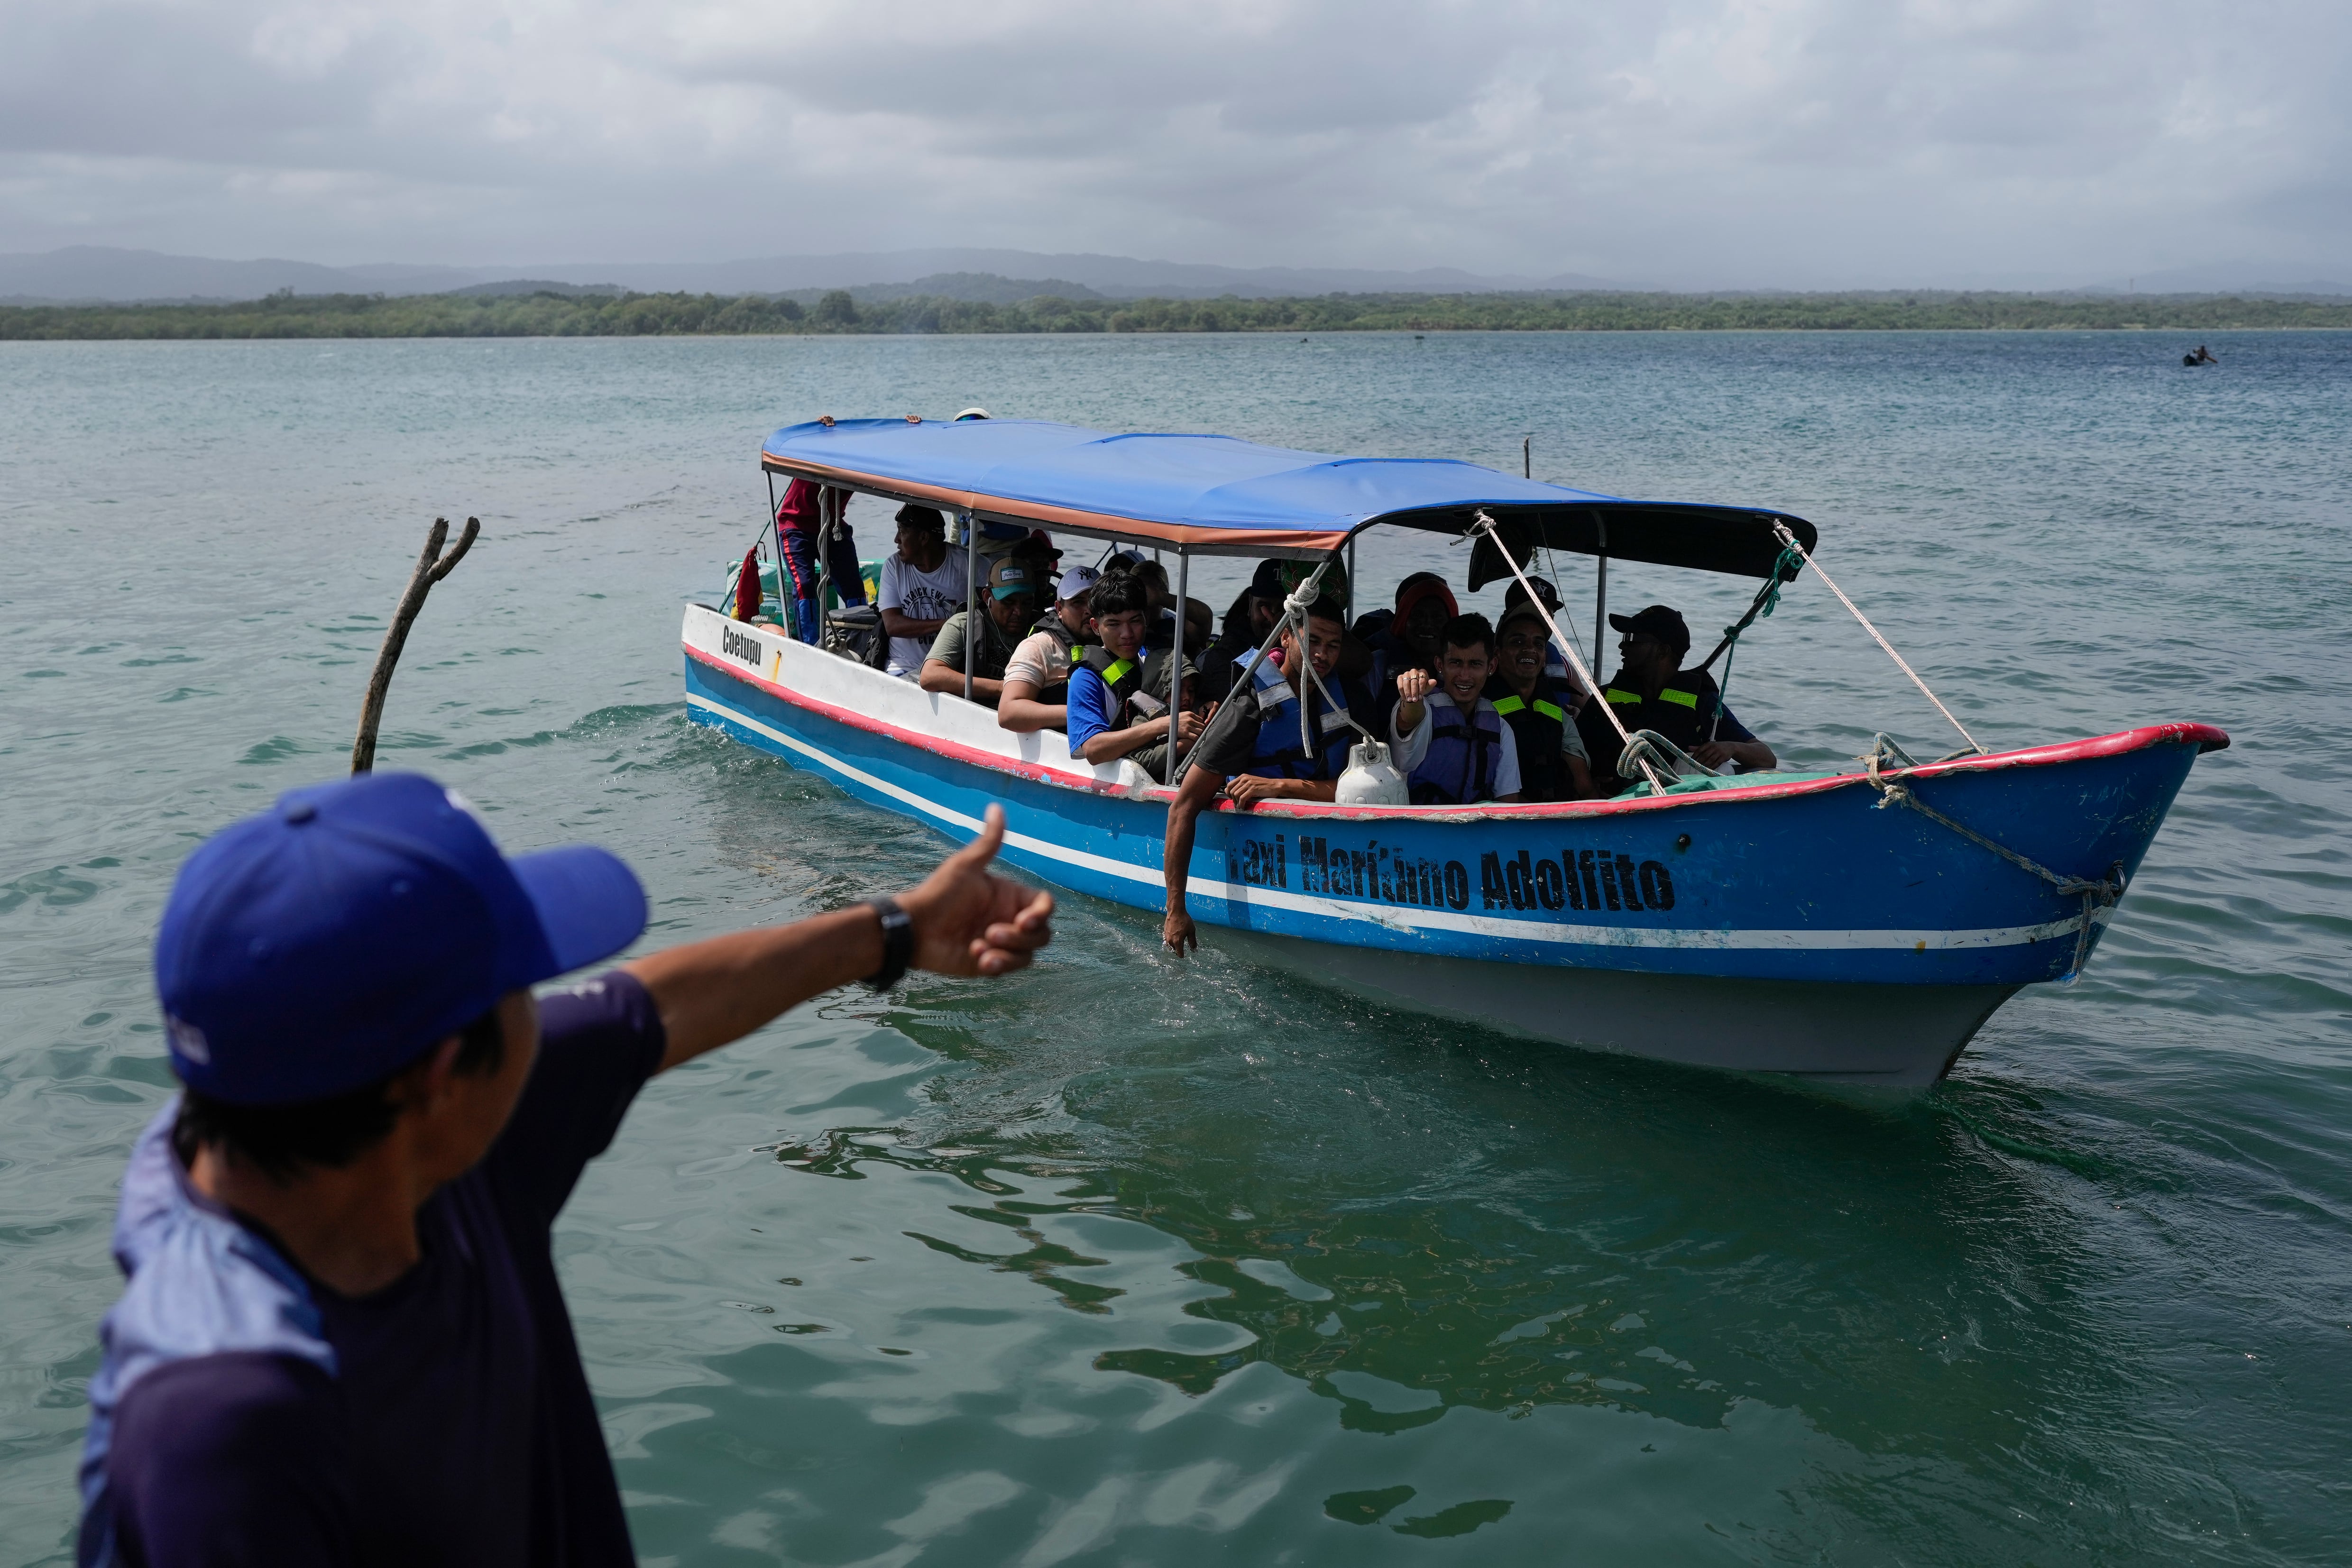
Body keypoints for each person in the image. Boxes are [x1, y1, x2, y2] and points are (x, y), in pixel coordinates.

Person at [75, 771, 1052, 1568]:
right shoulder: (224, 1418)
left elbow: (651, 1011)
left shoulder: (350, 1123)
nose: (547, 1015)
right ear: (441, 1076)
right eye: (520, 989)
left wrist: (893, 930)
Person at [1160, 594, 1384, 954]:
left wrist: (1280, 787)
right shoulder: (1250, 708)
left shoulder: (1353, 702)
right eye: (1312, 641)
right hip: (1271, 854)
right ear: (1286, 637)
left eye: (1333, 645)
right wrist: (1176, 909)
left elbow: (1369, 789)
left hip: (1338, 853)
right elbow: (1183, 807)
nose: (1322, 655)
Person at [1574, 604, 1775, 792]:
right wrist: (1586, 785)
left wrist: (1731, 747)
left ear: (1663, 650)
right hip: (1606, 800)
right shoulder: (1605, 697)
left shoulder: (1701, 701)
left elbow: (1766, 757)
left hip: (1670, 801)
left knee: (1721, 768)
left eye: (1632, 638)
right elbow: (1570, 748)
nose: (1622, 645)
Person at [1065, 570, 1204, 776]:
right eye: (1114, 624)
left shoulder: (1152, 659)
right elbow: (1094, 750)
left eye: (1135, 621)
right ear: (1096, 627)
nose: (1127, 634)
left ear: (1146, 619)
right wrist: (1165, 725)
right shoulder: (1086, 679)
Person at [1389, 614, 1522, 805]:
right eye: (1456, 663)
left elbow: (1508, 803)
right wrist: (1413, 694)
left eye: (1475, 664)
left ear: (1491, 667)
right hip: (1416, 828)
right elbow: (1409, 718)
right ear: (1439, 665)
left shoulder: (1502, 730)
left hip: (1474, 831)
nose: (1465, 675)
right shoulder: (1422, 710)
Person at [1487, 607, 1595, 801]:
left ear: (1545, 657)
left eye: (1538, 644)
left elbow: (1584, 787)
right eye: (1517, 642)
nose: (1529, 649)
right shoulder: (1480, 708)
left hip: (1556, 818)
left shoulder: (1559, 717)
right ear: (1498, 654)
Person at [920, 558, 1037, 707]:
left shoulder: (1041, 630)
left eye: (1027, 603)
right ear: (988, 597)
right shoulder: (965, 625)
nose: (1019, 612)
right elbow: (930, 676)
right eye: (1009, 602)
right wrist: (1001, 688)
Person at [999, 565, 1100, 734]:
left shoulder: (1117, 640)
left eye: (1095, 602)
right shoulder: (1039, 647)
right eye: (1078, 602)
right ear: (1059, 609)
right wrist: (1079, 713)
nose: (1089, 610)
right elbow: (1009, 713)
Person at [877, 504, 972, 678]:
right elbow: (892, 625)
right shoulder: (894, 567)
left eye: (902, 532)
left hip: (952, 668)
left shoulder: (968, 565)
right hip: (904, 665)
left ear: (923, 537)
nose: (896, 539)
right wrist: (946, 624)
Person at [772, 478, 868, 645]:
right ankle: (810, 646)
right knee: (805, 585)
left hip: (834, 526)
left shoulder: (862, 461)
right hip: (796, 524)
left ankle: (862, 642)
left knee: (854, 587)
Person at [1198, 560, 1286, 700]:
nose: (1272, 618)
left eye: (1284, 610)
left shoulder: (1309, 649)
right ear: (1250, 603)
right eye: (1264, 607)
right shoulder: (1225, 656)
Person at [1358, 572, 1457, 688]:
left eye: (1438, 617)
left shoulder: (1463, 665)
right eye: (1417, 616)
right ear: (1402, 621)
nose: (1427, 624)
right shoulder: (1377, 665)